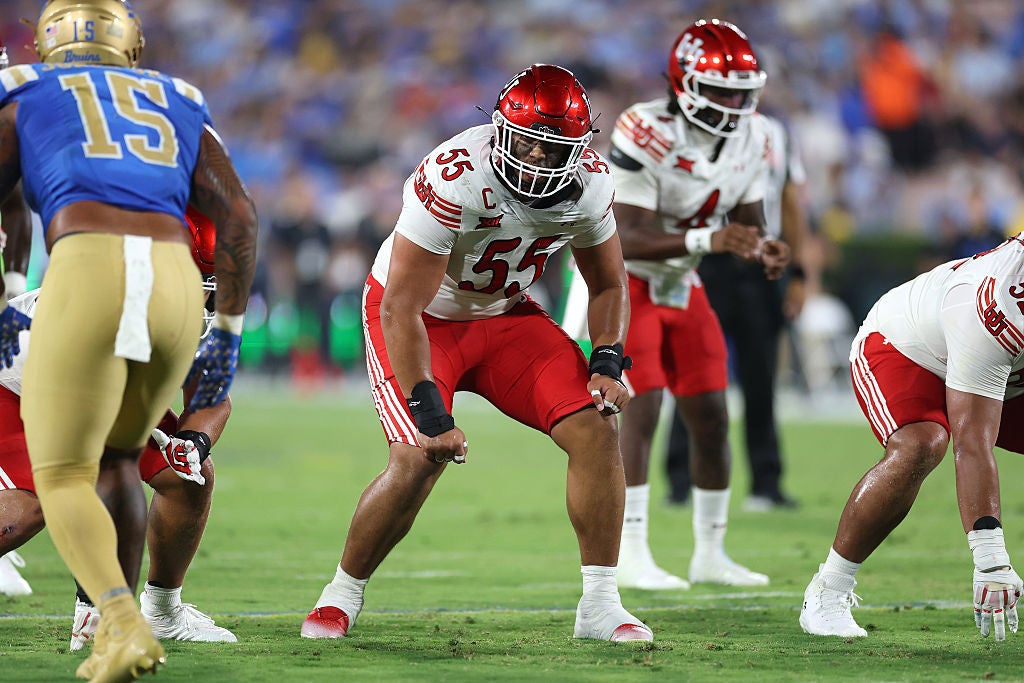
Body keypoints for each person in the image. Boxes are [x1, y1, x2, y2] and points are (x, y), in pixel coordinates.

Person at [301, 64, 652, 643]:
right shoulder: (455, 174)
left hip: (504, 315)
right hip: (420, 318)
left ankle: (600, 604)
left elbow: (609, 282)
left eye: (554, 147)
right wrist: (431, 413)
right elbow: (401, 307)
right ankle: (341, 594)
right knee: (418, 455)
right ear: (500, 131)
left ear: (579, 147)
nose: (539, 159)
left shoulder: (590, 183)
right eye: (529, 142)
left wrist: (608, 361)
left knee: (596, 427)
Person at [0, 2, 258, 680]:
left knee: (63, 475)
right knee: (120, 461)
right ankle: (119, 622)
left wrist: (3, 289)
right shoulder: (180, 95)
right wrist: (228, 329)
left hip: (85, 264)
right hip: (175, 277)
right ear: (130, 45)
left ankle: (120, 621)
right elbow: (238, 215)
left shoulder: (24, 86)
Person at [564, 19, 789, 591]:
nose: (734, 102)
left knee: (712, 414)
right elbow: (623, 234)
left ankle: (709, 552)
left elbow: (747, 221)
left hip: (680, 282)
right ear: (684, 83)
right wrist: (706, 241)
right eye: (720, 89)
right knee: (639, 411)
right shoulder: (645, 127)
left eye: (742, 89)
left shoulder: (757, 136)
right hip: (625, 280)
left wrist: (761, 248)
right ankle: (632, 551)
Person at [800, 235, 1024, 640]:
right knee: (923, 443)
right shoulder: (993, 306)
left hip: (1004, 368)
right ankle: (829, 589)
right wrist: (990, 560)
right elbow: (972, 443)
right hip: (909, 349)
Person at [663, 112, 809, 511]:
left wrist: (798, 273)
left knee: (761, 377)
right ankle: (679, 481)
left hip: (760, 264)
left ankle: (766, 482)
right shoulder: (693, 126)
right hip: (709, 259)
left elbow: (790, 201)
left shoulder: (777, 130)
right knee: (691, 372)